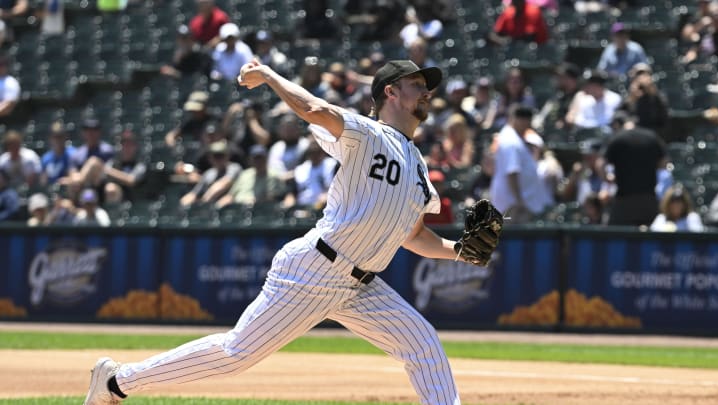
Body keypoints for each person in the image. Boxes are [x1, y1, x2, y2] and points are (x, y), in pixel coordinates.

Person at [83, 58, 468, 405]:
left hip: (362, 286)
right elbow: (313, 109)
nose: (427, 92)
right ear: (391, 91)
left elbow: (414, 236)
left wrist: (461, 249)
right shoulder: (368, 134)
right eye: (418, 84)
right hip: (315, 269)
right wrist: (268, 75)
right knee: (235, 354)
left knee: (423, 344)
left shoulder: (418, 166)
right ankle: (116, 381)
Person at [489, 104, 551, 223]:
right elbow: (512, 173)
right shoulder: (511, 141)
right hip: (513, 206)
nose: (528, 124)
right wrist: (519, 201)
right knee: (510, 239)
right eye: (526, 120)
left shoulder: (513, 137)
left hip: (515, 203)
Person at [604, 127, 666, 226]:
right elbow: (663, 163)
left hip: (624, 202)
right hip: (648, 200)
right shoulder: (652, 137)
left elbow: (601, 164)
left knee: (615, 236)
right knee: (653, 236)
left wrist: (609, 178)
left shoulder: (617, 139)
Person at [179, 140, 241, 207]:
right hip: (210, 206)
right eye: (215, 156)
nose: (218, 159)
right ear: (209, 158)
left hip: (228, 206)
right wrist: (182, 204)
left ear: (228, 156)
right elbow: (194, 193)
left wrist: (204, 202)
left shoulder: (234, 167)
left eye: (221, 155)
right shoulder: (209, 173)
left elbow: (224, 184)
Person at [102, 130, 147, 204]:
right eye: (124, 144)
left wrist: (109, 171)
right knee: (110, 187)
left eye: (130, 144)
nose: (127, 148)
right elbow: (102, 175)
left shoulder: (139, 165)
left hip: (134, 200)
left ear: (135, 147)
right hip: (117, 198)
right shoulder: (113, 162)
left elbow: (131, 180)